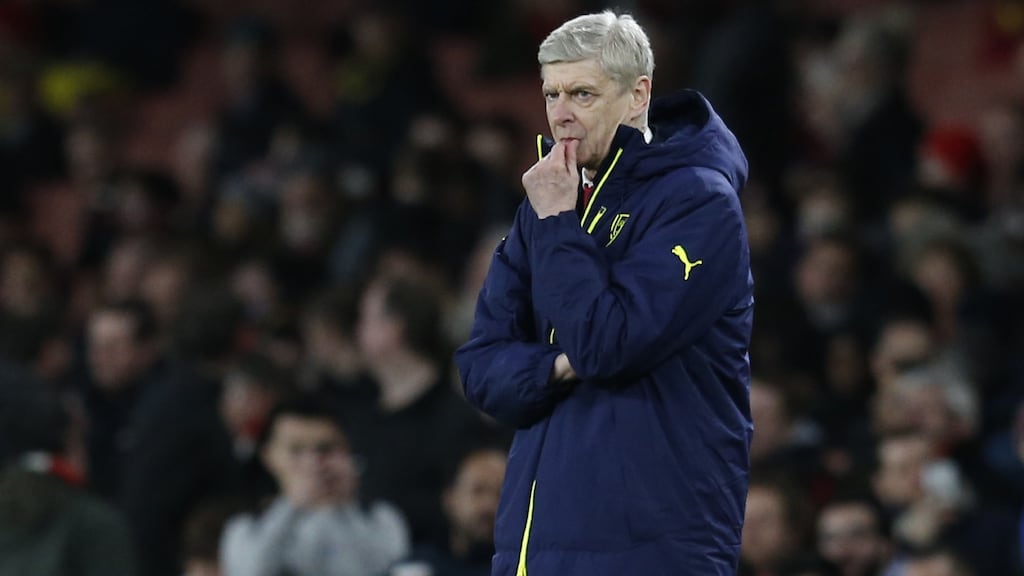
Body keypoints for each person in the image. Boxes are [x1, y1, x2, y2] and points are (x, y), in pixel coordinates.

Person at [455, 10, 754, 575]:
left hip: (651, 545)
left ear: (637, 94)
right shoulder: (548, 204)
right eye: (552, 94)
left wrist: (558, 223)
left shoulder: (698, 202)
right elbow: (480, 367)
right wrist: (558, 368)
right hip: (534, 548)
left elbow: (606, 345)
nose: (561, 115)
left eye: (583, 94)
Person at [219, 394, 409, 576]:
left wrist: (344, 506)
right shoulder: (247, 526)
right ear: (269, 456)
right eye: (296, 450)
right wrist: (290, 507)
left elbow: (382, 569)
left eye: (325, 448)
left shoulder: (380, 516)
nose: (313, 463)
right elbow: (251, 572)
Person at [391, 446, 508, 576]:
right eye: (478, 491)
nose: (489, 505)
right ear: (450, 497)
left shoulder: (522, 569)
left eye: (500, 494)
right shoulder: (414, 569)